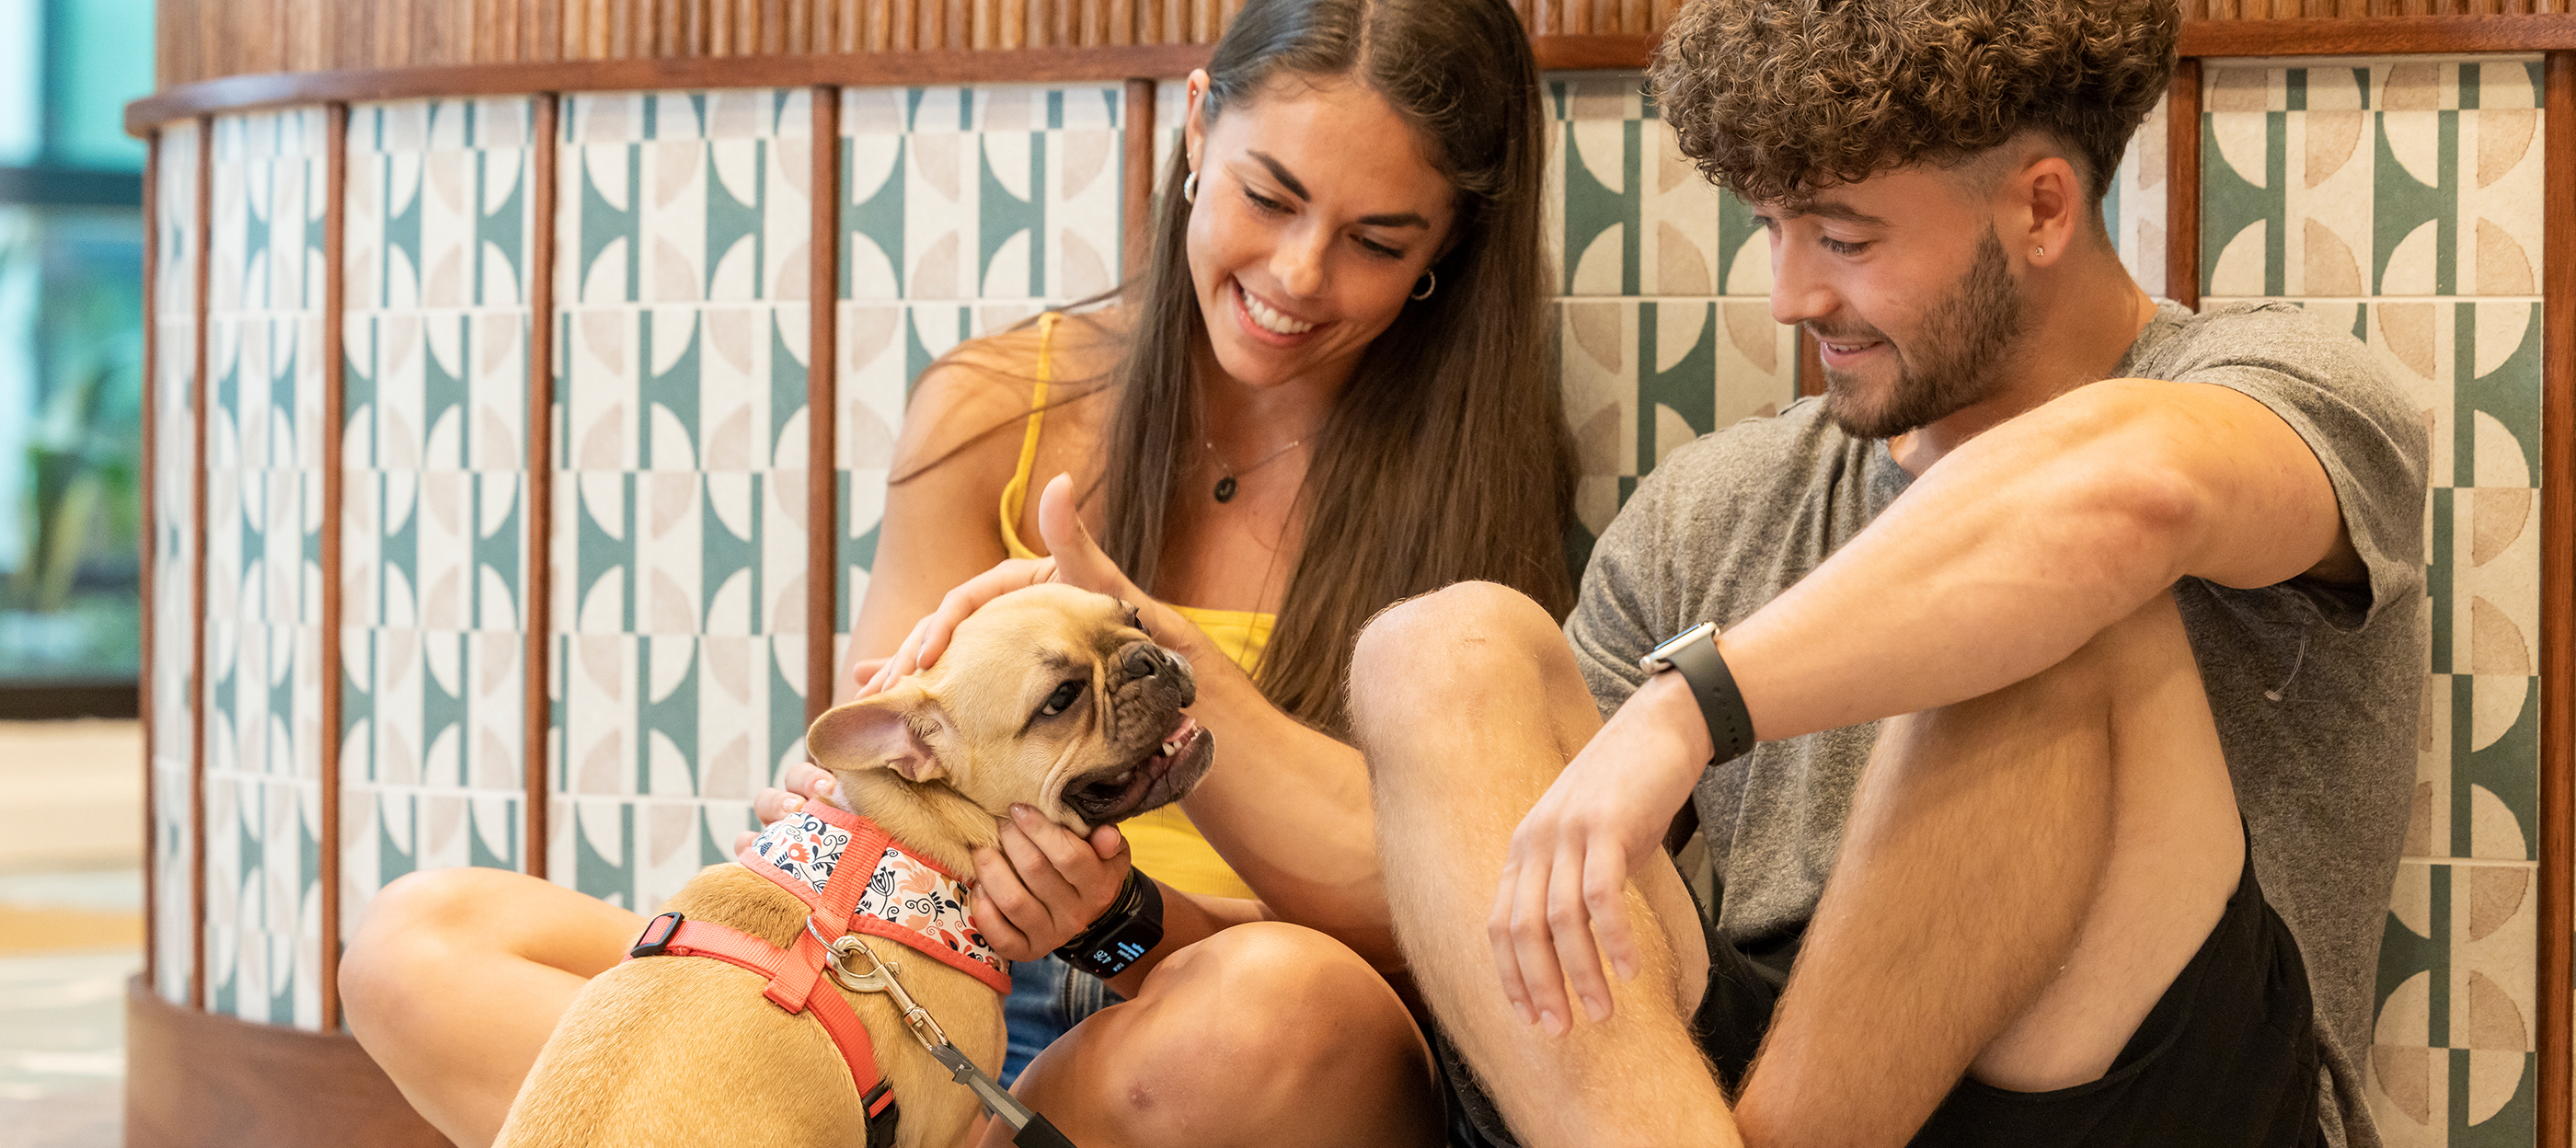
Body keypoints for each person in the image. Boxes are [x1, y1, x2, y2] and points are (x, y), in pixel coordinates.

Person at [336, 0, 1570, 1142]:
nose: (1298, 275)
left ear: (1447, 247)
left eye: (1373, 239)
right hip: (914, 990)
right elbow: (869, 776)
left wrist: (1123, 916)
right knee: (420, 942)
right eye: (1270, 195)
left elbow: (1439, 935)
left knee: (1280, 1005)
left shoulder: (1471, 488)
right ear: (1197, 126)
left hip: (1196, 1031)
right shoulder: (1003, 409)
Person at [1341, 1, 2424, 1146]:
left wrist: (1691, 710)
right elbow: (1500, 868)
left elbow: (2125, 497)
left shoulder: (2284, 390)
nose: (1789, 297)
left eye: (1845, 240)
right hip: (1739, 1095)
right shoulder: (1715, 505)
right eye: (1770, 228)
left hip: (2135, 1085)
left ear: (2041, 208)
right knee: (1433, 651)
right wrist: (1132, 922)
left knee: (2060, 605)